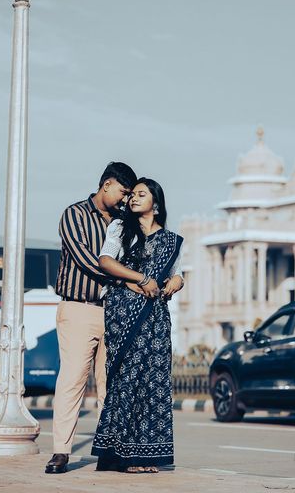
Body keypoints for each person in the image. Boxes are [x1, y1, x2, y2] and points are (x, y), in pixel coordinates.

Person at [45, 162, 155, 474]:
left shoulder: (123, 222)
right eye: (123, 192)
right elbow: (88, 262)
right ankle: (61, 452)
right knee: (73, 379)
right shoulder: (74, 214)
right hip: (79, 308)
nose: (125, 199)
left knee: (113, 383)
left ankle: (112, 451)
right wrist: (129, 279)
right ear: (106, 185)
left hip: (116, 312)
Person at [91, 178, 184, 473]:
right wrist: (139, 279)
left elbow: (178, 274)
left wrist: (174, 284)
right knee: (127, 378)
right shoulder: (121, 228)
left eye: (141, 195)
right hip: (124, 311)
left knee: (153, 381)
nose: (133, 199)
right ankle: (121, 456)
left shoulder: (170, 240)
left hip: (155, 315)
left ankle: (145, 456)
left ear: (155, 204)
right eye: (132, 194)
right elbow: (105, 261)